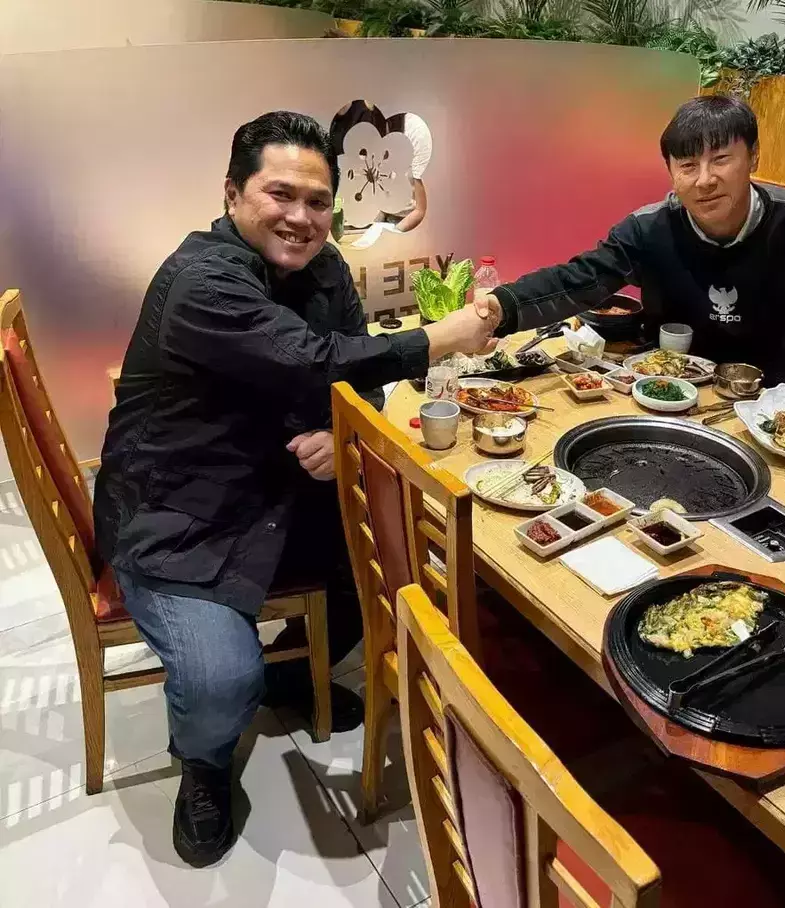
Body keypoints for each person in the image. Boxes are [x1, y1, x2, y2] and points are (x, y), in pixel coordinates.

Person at [93, 111, 495, 867]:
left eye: (317, 202)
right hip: (181, 513)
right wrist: (443, 336)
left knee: (401, 553)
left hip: (283, 494)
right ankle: (206, 765)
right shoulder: (200, 282)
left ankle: (286, 669)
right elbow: (315, 358)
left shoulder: (326, 266)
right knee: (219, 681)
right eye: (281, 195)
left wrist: (342, 434)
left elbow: (348, 380)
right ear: (233, 193)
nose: (301, 218)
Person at [475, 95, 785, 403]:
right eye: (688, 166)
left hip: (780, 398)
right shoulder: (648, 229)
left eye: (721, 159)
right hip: (670, 393)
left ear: (754, 157)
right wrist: (501, 307)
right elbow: (579, 280)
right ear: (671, 172)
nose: (704, 180)